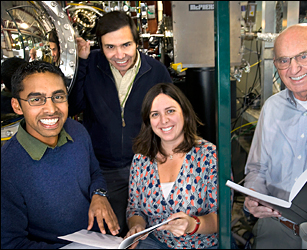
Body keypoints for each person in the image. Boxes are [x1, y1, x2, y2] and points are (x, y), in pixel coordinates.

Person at [243, 23, 307, 249]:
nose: (293, 69)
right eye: (283, 60)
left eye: (303, 56)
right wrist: (253, 196)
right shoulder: (271, 108)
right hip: (275, 230)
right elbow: (257, 169)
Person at [68, 11, 172, 237]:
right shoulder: (91, 64)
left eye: (126, 45)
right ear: (100, 45)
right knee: (109, 234)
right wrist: (82, 62)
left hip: (148, 167)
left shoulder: (156, 71)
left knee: (152, 232)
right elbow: (73, 107)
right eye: (110, 47)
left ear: (137, 42)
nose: (119, 54)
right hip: (105, 170)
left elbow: (172, 119)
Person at [1, 61, 120, 249]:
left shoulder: (77, 130)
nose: (51, 109)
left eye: (58, 96)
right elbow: (11, 243)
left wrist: (99, 194)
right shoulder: (6, 166)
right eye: (36, 99)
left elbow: (95, 173)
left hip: (103, 240)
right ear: (17, 106)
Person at [125, 83, 232, 249]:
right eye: (155, 114)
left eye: (170, 111)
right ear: (148, 121)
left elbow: (223, 217)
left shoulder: (210, 155)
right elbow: (135, 209)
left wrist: (193, 224)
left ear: (184, 112)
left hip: (202, 245)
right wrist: (137, 227)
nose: (164, 120)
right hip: (156, 243)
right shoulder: (141, 159)